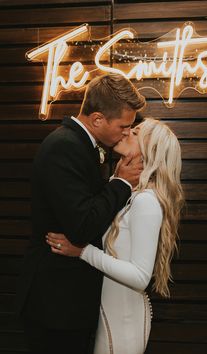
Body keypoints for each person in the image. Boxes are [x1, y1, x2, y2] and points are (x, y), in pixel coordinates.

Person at [16, 73, 146, 354]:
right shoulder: (64, 147)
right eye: (124, 126)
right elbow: (82, 225)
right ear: (98, 119)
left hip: (66, 302)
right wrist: (121, 183)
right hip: (55, 304)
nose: (126, 133)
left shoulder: (79, 145)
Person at [46, 118, 185, 354]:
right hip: (111, 319)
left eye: (136, 132)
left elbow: (140, 276)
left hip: (124, 326)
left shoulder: (145, 202)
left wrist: (82, 251)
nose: (128, 131)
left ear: (149, 149)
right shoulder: (131, 195)